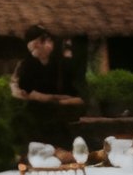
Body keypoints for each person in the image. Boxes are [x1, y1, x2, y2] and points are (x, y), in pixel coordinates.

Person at [10, 24, 87, 154]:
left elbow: (76, 97)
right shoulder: (26, 65)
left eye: (49, 40)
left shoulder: (59, 65)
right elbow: (26, 93)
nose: (49, 43)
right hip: (34, 119)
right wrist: (52, 98)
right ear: (34, 45)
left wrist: (59, 100)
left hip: (57, 119)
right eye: (43, 40)